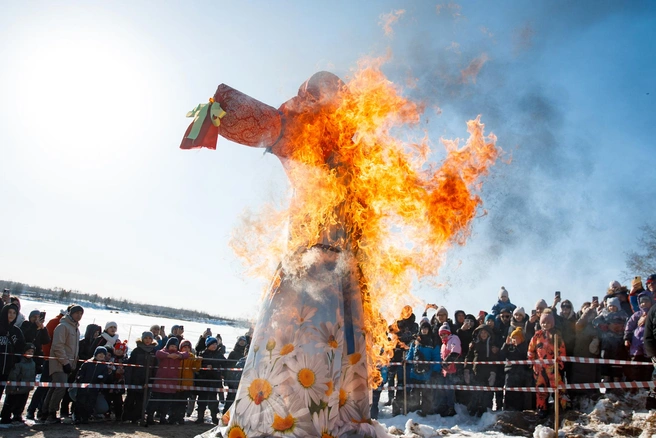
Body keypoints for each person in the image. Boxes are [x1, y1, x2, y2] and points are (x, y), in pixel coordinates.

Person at [41, 304, 83, 424]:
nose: (79, 316)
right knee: (60, 387)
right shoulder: (63, 326)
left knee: (55, 387)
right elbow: (58, 346)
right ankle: (51, 413)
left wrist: (73, 363)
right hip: (59, 363)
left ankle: (45, 412)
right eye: (77, 313)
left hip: (67, 363)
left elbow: (73, 349)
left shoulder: (75, 328)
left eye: (81, 314)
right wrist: (65, 362)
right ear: (71, 313)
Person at [527, 310, 566, 419]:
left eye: (548, 323)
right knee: (541, 388)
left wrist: (561, 363)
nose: (545, 325)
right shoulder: (537, 336)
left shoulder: (556, 336)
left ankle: (561, 406)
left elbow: (562, 350)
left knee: (557, 387)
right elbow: (531, 349)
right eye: (543, 323)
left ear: (552, 323)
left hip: (553, 367)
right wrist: (531, 361)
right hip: (540, 367)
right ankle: (541, 408)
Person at [147, 337, 189, 425]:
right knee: (155, 401)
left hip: (171, 382)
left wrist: (179, 356)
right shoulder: (163, 352)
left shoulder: (178, 354)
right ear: (168, 346)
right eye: (171, 346)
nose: (173, 348)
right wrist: (168, 355)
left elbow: (186, 354)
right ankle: (150, 417)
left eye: (175, 346)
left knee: (166, 402)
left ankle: (163, 418)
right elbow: (158, 353)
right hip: (160, 381)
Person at [123, 331, 158, 423]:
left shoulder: (154, 352)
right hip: (135, 379)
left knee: (141, 401)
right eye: (146, 338)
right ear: (142, 339)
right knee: (130, 399)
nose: (147, 340)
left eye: (150, 338)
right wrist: (128, 380)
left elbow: (155, 368)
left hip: (147, 380)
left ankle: (137, 418)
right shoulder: (136, 351)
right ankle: (126, 417)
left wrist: (151, 382)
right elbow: (130, 366)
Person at [465, 325, 498, 417]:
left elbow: (494, 360)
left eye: (485, 333)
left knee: (487, 393)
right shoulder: (474, 344)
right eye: (481, 333)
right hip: (476, 371)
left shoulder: (492, 346)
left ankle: (485, 411)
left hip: (488, 372)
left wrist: (493, 373)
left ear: (488, 334)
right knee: (476, 392)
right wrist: (466, 370)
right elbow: (469, 357)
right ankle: (473, 409)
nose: (483, 334)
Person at [74, 346, 112, 424]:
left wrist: (102, 378)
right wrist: (79, 379)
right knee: (80, 402)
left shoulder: (104, 366)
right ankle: (77, 417)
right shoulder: (87, 363)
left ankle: (86, 418)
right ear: (95, 354)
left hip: (94, 389)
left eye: (103, 354)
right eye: (100, 354)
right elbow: (81, 372)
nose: (101, 355)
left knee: (90, 403)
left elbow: (105, 376)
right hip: (83, 387)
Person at [0, 343, 36, 424]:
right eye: (28, 351)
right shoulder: (18, 363)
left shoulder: (33, 363)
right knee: (10, 402)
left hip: (25, 388)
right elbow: (13, 376)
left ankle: (17, 415)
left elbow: (32, 375)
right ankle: (5, 417)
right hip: (16, 388)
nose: (30, 353)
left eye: (32, 352)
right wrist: (12, 387)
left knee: (22, 402)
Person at [195, 336, 225, 424]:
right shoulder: (203, 354)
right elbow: (198, 367)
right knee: (202, 400)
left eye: (215, 344)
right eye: (212, 344)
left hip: (215, 380)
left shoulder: (219, 355)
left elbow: (225, 363)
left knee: (213, 400)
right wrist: (205, 367)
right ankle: (200, 417)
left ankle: (214, 417)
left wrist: (221, 372)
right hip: (204, 380)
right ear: (208, 345)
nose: (214, 345)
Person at [624, 292, 653, 384]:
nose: (643, 304)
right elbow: (629, 327)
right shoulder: (637, 315)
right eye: (641, 302)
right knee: (635, 365)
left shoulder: (653, 314)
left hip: (648, 344)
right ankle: (634, 384)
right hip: (636, 344)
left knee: (648, 366)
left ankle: (646, 385)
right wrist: (627, 338)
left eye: (646, 301)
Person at [500, 328, 531, 411]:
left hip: (521, 372)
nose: (515, 340)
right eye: (513, 338)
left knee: (519, 392)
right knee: (509, 391)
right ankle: (507, 408)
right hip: (510, 371)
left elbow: (525, 356)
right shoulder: (508, 347)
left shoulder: (524, 347)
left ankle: (519, 409)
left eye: (517, 338)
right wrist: (506, 345)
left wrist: (518, 346)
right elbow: (502, 355)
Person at [0, 303, 26, 401]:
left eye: (14, 313)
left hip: (7, 370)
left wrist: (15, 360)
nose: (11, 315)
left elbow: (21, 347)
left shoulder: (16, 331)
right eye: (9, 312)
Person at [175, 339, 201, 424]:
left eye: (188, 347)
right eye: (184, 347)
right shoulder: (177, 356)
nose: (186, 349)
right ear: (180, 348)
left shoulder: (191, 356)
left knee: (183, 402)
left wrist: (198, 361)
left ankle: (180, 417)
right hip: (176, 383)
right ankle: (173, 417)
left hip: (186, 383)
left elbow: (195, 368)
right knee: (174, 401)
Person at [438, 322, 461, 417]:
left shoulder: (453, 339)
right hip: (446, 371)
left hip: (454, 370)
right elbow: (441, 356)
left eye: (445, 333)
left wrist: (446, 362)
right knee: (445, 390)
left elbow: (455, 351)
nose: (443, 336)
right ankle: (446, 407)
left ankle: (451, 408)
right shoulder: (443, 344)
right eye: (441, 334)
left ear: (448, 333)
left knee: (450, 390)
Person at [19, 310, 51, 376]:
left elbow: (46, 340)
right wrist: (35, 326)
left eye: (38, 317)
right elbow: (26, 337)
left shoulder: (40, 328)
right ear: (30, 317)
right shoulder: (25, 324)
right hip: (24, 357)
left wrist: (43, 329)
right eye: (34, 317)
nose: (36, 319)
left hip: (36, 359)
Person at [223, 336, 247, 415]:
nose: (242, 342)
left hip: (243, 380)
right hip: (233, 378)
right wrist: (227, 378)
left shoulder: (248, 354)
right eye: (241, 340)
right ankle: (226, 414)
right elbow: (227, 365)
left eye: (244, 341)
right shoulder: (233, 353)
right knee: (230, 398)